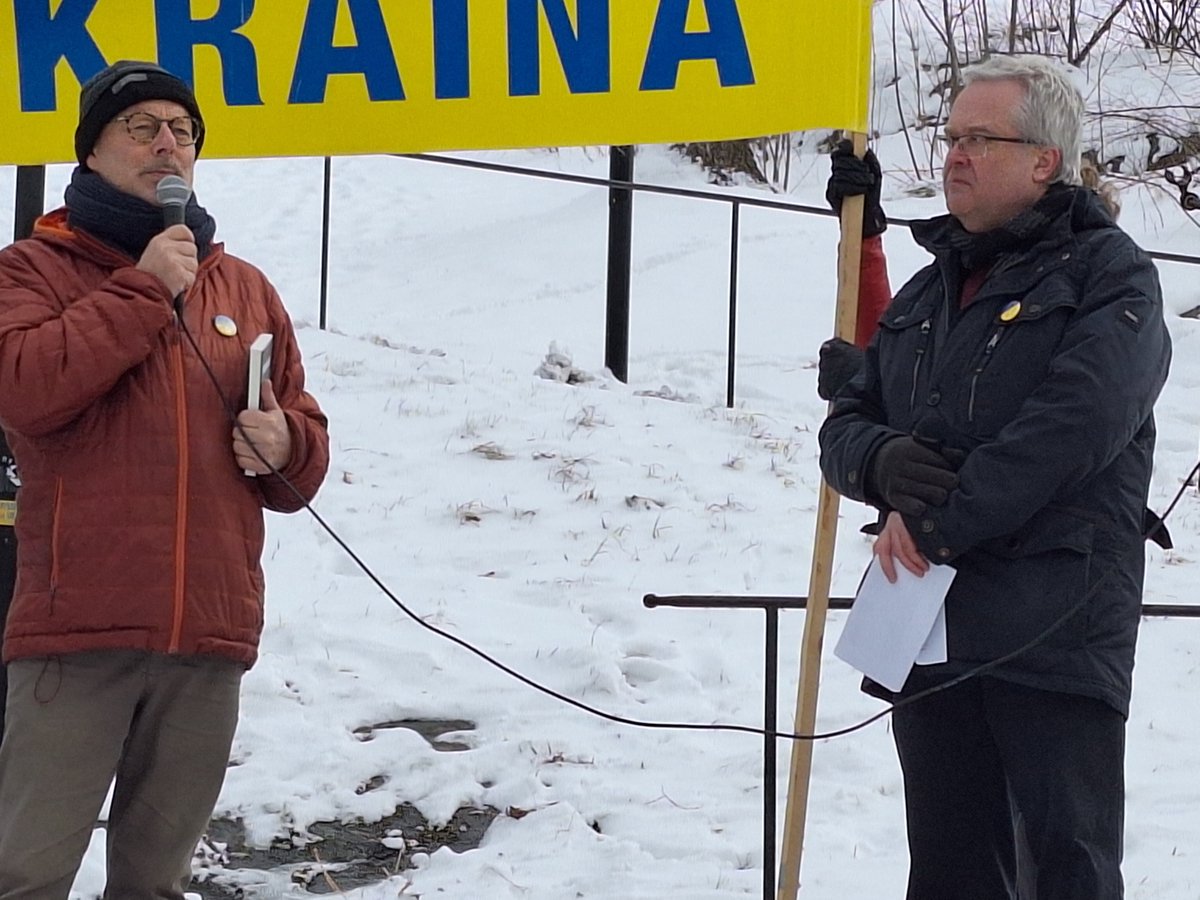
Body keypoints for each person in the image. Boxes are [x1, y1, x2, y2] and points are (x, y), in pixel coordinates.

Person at [818, 54, 1171, 899]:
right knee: (949, 870)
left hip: (1052, 627)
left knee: (1066, 869)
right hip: (930, 627)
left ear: (1044, 160)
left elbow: (1067, 432)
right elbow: (847, 422)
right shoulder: (927, 292)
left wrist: (932, 520)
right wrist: (879, 462)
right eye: (950, 138)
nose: (954, 156)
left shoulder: (1110, 277)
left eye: (980, 138)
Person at [0, 60, 330, 897]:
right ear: (91, 153)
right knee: (26, 874)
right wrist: (143, 286)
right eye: (141, 128)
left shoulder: (245, 288)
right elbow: (27, 391)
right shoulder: (30, 270)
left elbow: (303, 462)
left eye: (182, 131)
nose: (167, 144)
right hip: (78, 637)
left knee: (154, 883)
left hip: (206, 643)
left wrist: (284, 442)